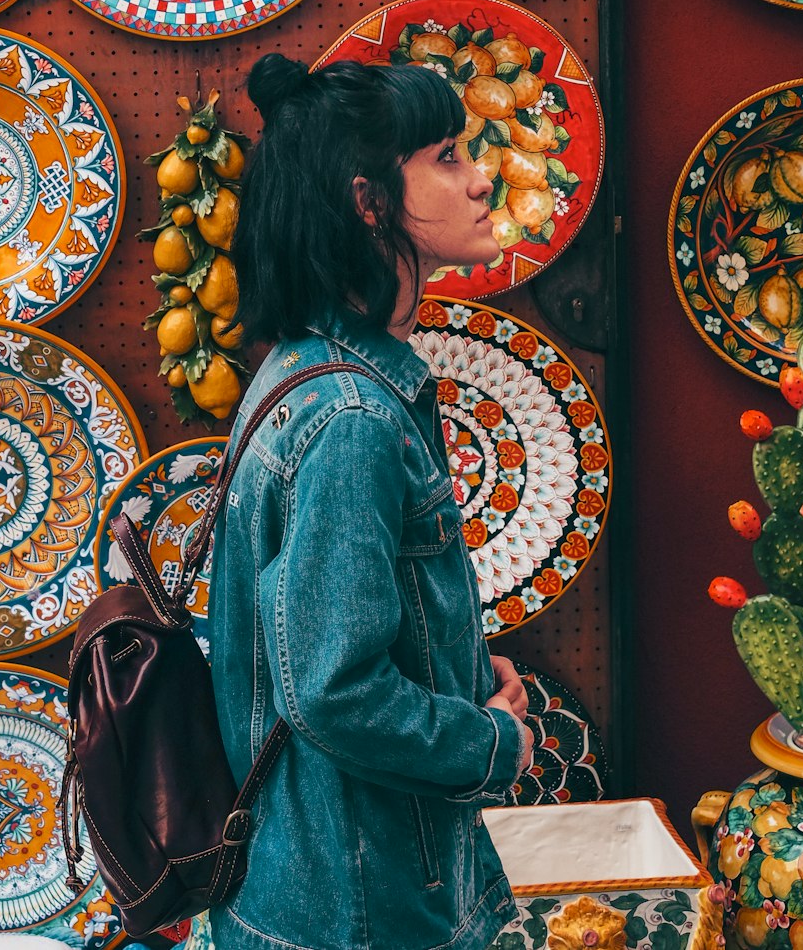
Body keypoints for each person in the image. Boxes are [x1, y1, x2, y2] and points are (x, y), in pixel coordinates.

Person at [208, 52, 534, 950]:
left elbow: (322, 643)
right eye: (447, 157)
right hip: (360, 907)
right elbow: (336, 691)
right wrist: (492, 746)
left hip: (309, 886)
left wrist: (461, 678)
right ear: (368, 201)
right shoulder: (351, 414)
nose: (480, 181)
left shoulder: (302, 372)